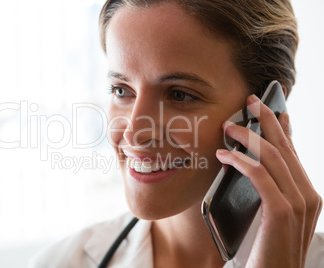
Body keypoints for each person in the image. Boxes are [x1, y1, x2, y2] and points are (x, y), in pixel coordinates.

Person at [29, 0, 324, 267]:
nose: (134, 133)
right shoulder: (59, 262)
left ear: (266, 110)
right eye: (122, 90)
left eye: (180, 95)